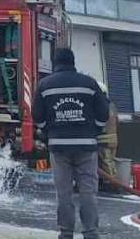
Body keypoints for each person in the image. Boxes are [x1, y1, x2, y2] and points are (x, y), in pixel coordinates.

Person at [33, 47, 108, 239]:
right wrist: (95, 130)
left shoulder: (44, 85)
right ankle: (90, 232)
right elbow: (103, 113)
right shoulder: (89, 83)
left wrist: (47, 131)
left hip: (58, 147)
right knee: (88, 191)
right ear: (73, 62)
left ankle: (66, 233)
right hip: (86, 146)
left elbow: (37, 116)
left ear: (54, 63)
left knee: (63, 193)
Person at [95, 80, 119, 191]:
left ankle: (112, 185)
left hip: (103, 139)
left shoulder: (102, 105)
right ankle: (106, 182)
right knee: (108, 162)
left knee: (106, 162)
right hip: (113, 138)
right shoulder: (111, 105)